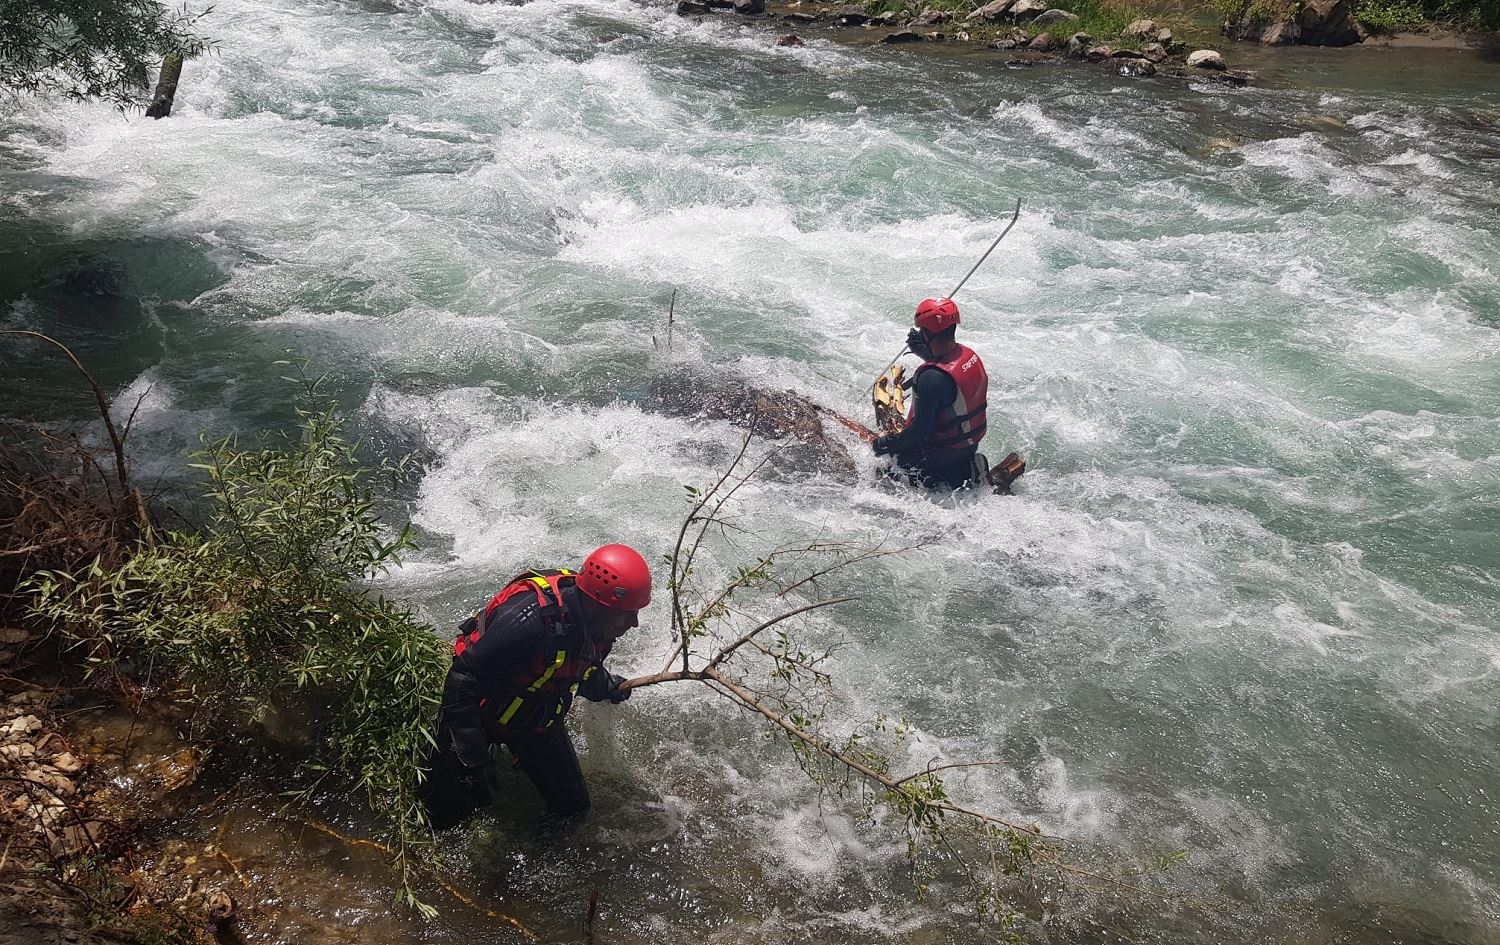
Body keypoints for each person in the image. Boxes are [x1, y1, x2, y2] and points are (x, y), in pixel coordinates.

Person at [419, 544, 650, 830]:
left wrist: (607, 686)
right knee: (443, 819)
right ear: (597, 604)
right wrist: (473, 760)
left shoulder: (598, 626)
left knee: (573, 811)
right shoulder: (531, 621)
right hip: (479, 715)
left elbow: (578, 667)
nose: (634, 623)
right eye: (627, 614)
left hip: (536, 721)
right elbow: (462, 679)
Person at [872, 297, 989, 490]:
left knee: (885, 473)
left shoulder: (931, 379)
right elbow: (949, 387)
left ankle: (950, 478)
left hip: (939, 455)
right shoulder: (968, 356)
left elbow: (919, 432)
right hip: (968, 447)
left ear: (926, 333)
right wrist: (927, 355)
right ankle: (967, 469)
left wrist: (886, 444)